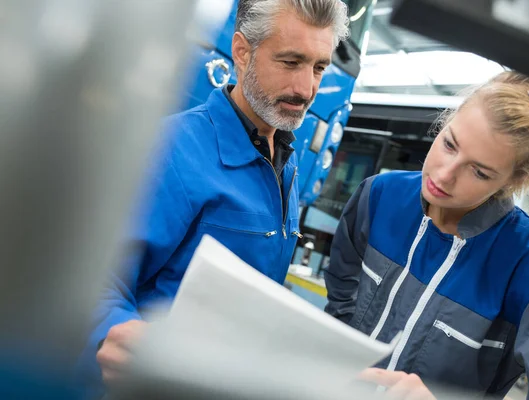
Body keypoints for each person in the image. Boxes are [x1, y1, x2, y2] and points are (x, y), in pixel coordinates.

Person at [78, 0, 349, 396]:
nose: (307, 88)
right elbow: (92, 284)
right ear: (242, 51)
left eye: (319, 67)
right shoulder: (170, 150)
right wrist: (111, 334)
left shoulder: (285, 165)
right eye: (291, 62)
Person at [325, 71, 529, 399]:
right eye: (449, 144)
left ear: (514, 180)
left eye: (480, 172)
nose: (444, 174)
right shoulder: (379, 197)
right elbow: (342, 293)